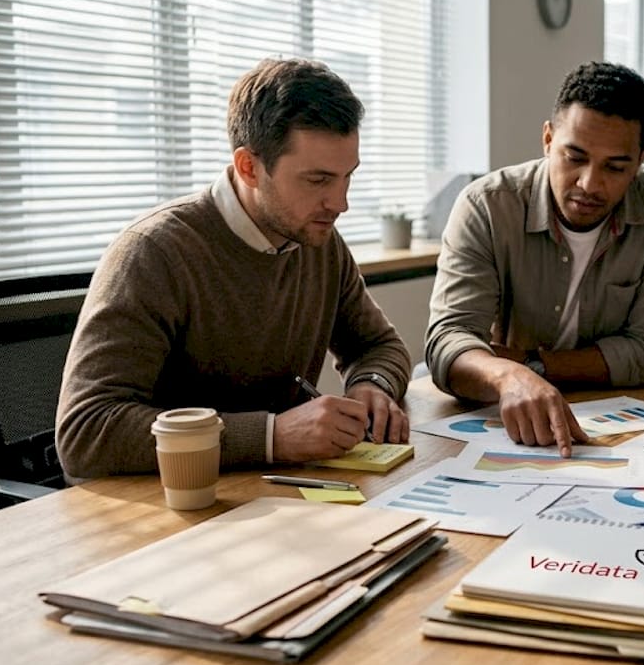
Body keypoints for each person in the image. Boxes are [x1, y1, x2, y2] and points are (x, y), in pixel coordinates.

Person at [56, 58, 412, 479]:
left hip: (268, 492)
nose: (340, 203)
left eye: (346, 178)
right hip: (167, 504)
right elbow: (85, 431)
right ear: (249, 167)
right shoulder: (154, 252)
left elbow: (378, 346)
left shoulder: (317, 240)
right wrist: (272, 436)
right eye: (317, 181)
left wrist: (372, 383)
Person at [425, 62, 644, 457]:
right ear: (548, 139)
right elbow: (449, 340)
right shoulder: (486, 204)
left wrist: (530, 365)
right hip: (504, 409)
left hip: (618, 414)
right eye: (575, 157)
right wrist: (508, 377)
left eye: (615, 167)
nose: (589, 184)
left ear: (640, 160)